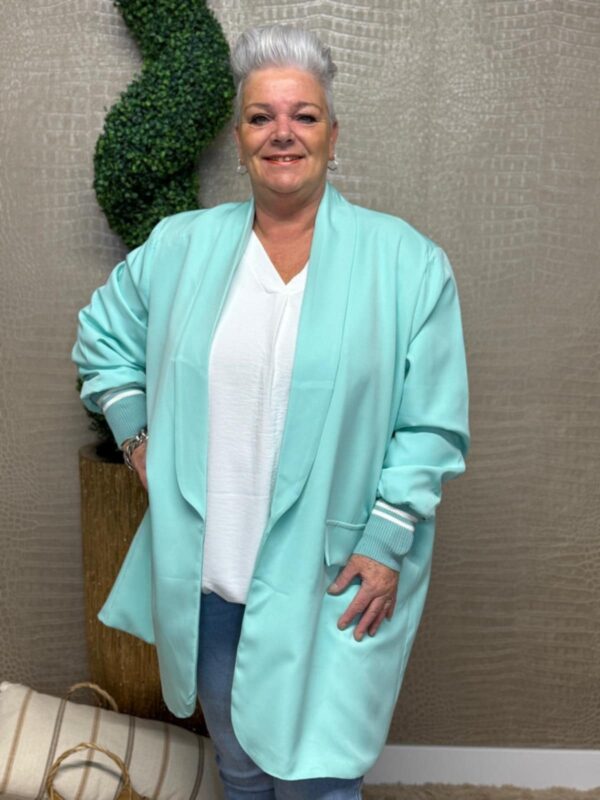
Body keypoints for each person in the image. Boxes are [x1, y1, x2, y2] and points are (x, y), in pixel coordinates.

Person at [72, 23, 470, 800]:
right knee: (241, 768)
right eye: (261, 117)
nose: (282, 132)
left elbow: (432, 421)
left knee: (321, 778)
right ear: (240, 138)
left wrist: (387, 541)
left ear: (332, 134)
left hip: (338, 574)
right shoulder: (181, 247)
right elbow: (102, 337)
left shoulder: (407, 264)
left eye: (303, 115)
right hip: (215, 572)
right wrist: (138, 438)